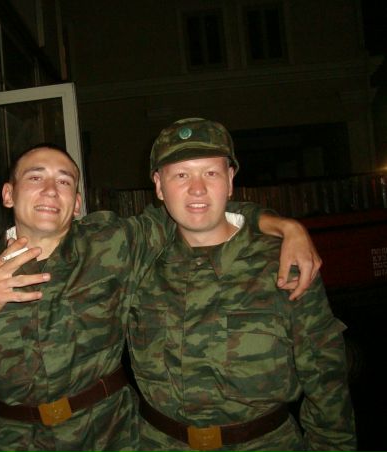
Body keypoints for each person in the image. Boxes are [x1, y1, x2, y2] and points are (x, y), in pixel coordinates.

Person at [0, 143, 320, 452]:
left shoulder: (114, 244)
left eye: (64, 181)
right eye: (35, 177)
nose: (50, 190)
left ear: (77, 203)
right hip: (13, 441)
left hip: (111, 435)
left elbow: (197, 206)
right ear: (8, 194)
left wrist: (286, 227)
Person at [128, 118, 356, 451]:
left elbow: (325, 375)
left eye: (211, 173)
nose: (197, 188)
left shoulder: (282, 261)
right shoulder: (138, 263)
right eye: (181, 175)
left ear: (230, 181)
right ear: (159, 186)